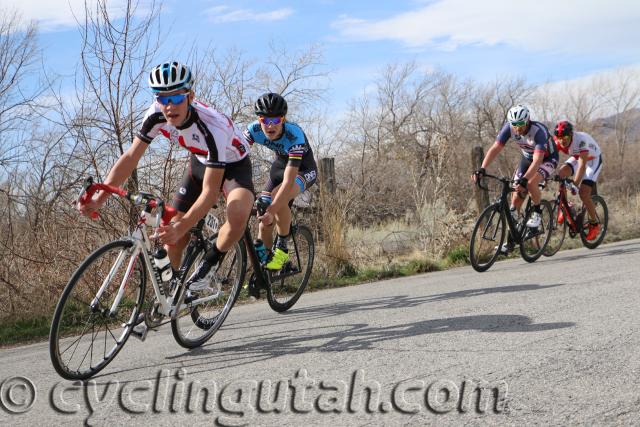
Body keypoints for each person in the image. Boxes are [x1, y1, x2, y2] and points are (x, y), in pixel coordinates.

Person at [78, 61, 255, 291]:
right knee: (172, 237)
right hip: (201, 162)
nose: (169, 106)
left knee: (237, 214)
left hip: (234, 165)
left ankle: (210, 263)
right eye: (162, 98)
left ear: (190, 96)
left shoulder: (213, 127)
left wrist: (183, 225)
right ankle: (170, 298)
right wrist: (101, 197)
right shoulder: (155, 114)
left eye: (176, 98)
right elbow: (131, 157)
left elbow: (211, 193)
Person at [243, 92, 317, 271]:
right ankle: (267, 263)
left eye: (275, 120)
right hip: (279, 167)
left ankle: (282, 249)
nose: (269, 125)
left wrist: (273, 208)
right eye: (264, 119)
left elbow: (288, 182)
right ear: (258, 120)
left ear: (283, 119)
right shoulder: (253, 130)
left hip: (303, 169)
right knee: (264, 214)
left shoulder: (294, 135)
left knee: (278, 198)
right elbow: (235, 157)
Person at [473, 104, 559, 254]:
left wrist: (525, 179)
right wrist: (482, 168)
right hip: (527, 159)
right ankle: (511, 242)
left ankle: (537, 214)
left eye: (520, 124)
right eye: (514, 125)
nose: (517, 128)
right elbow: (496, 148)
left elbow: (538, 160)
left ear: (527, 121)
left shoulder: (538, 131)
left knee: (531, 183)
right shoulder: (509, 128)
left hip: (547, 159)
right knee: (515, 203)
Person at [553, 120, 603, 241]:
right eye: (559, 137)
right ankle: (565, 206)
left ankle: (594, 223)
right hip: (577, 157)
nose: (562, 140)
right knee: (561, 173)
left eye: (565, 136)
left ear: (571, 134)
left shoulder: (580, 140)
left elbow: (582, 165)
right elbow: (550, 159)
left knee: (583, 193)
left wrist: (575, 184)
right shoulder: (557, 142)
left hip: (593, 160)